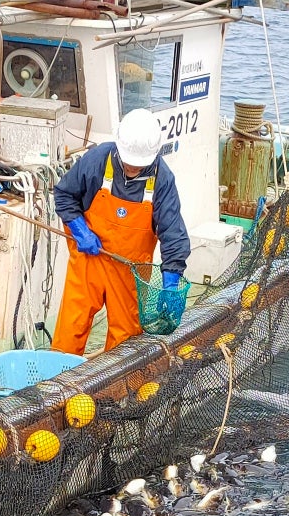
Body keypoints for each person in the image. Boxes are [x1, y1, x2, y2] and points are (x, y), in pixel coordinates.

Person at [52, 109, 192, 356]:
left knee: (125, 344)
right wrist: (80, 229)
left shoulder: (163, 180)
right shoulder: (97, 159)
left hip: (130, 270)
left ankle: (114, 395)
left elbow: (173, 234)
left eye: (138, 166)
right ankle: (55, 389)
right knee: (69, 332)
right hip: (89, 260)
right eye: (128, 163)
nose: (132, 169)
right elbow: (64, 195)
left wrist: (171, 280)